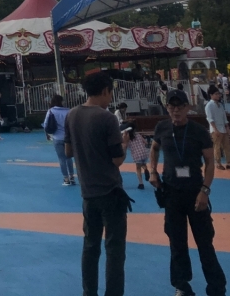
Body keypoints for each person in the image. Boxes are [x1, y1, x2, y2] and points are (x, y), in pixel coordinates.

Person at [149, 88, 226, 296]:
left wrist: (205, 191)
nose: (176, 110)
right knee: (177, 243)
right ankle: (181, 285)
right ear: (167, 108)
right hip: (171, 193)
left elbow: (210, 162)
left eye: (180, 107)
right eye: (172, 106)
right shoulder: (162, 128)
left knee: (204, 243)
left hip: (195, 192)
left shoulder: (198, 131)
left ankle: (216, 287)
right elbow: (154, 148)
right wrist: (152, 171)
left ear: (188, 108)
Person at [65, 71, 132, 296]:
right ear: (105, 91)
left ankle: (89, 292)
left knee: (90, 247)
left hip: (88, 192)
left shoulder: (72, 115)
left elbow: (68, 151)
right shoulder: (107, 118)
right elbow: (117, 160)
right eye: (110, 93)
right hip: (110, 191)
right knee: (114, 250)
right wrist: (124, 145)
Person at [43, 94, 74, 186]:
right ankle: (72, 176)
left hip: (57, 137)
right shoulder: (69, 111)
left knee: (61, 159)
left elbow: (45, 125)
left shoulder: (51, 111)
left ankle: (66, 178)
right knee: (69, 157)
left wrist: (48, 134)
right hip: (68, 138)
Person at [204, 86, 230, 170]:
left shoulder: (220, 105)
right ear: (211, 95)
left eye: (219, 94)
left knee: (227, 146)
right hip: (216, 129)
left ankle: (229, 162)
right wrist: (215, 129)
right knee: (217, 146)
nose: (218, 95)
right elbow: (210, 118)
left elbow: (224, 117)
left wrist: (227, 126)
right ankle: (218, 163)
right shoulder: (209, 105)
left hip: (222, 128)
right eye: (216, 94)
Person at [125, 124, 149, 190]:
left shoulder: (128, 139)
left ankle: (141, 183)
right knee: (144, 163)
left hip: (136, 155)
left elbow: (125, 146)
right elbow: (146, 142)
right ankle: (145, 169)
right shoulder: (138, 135)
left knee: (138, 169)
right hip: (144, 153)